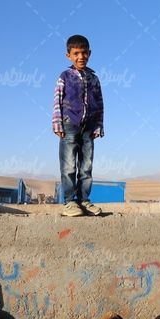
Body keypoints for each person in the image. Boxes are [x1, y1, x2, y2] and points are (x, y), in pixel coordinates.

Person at [52, 34, 104, 217]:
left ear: (89, 53)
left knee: (86, 166)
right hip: (69, 125)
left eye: (84, 53)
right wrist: (57, 122)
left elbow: (100, 103)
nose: (80, 57)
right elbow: (58, 99)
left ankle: (84, 201)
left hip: (89, 127)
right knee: (69, 166)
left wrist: (99, 125)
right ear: (68, 56)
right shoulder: (65, 76)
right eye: (76, 53)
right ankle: (69, 202)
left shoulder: (94, 78)